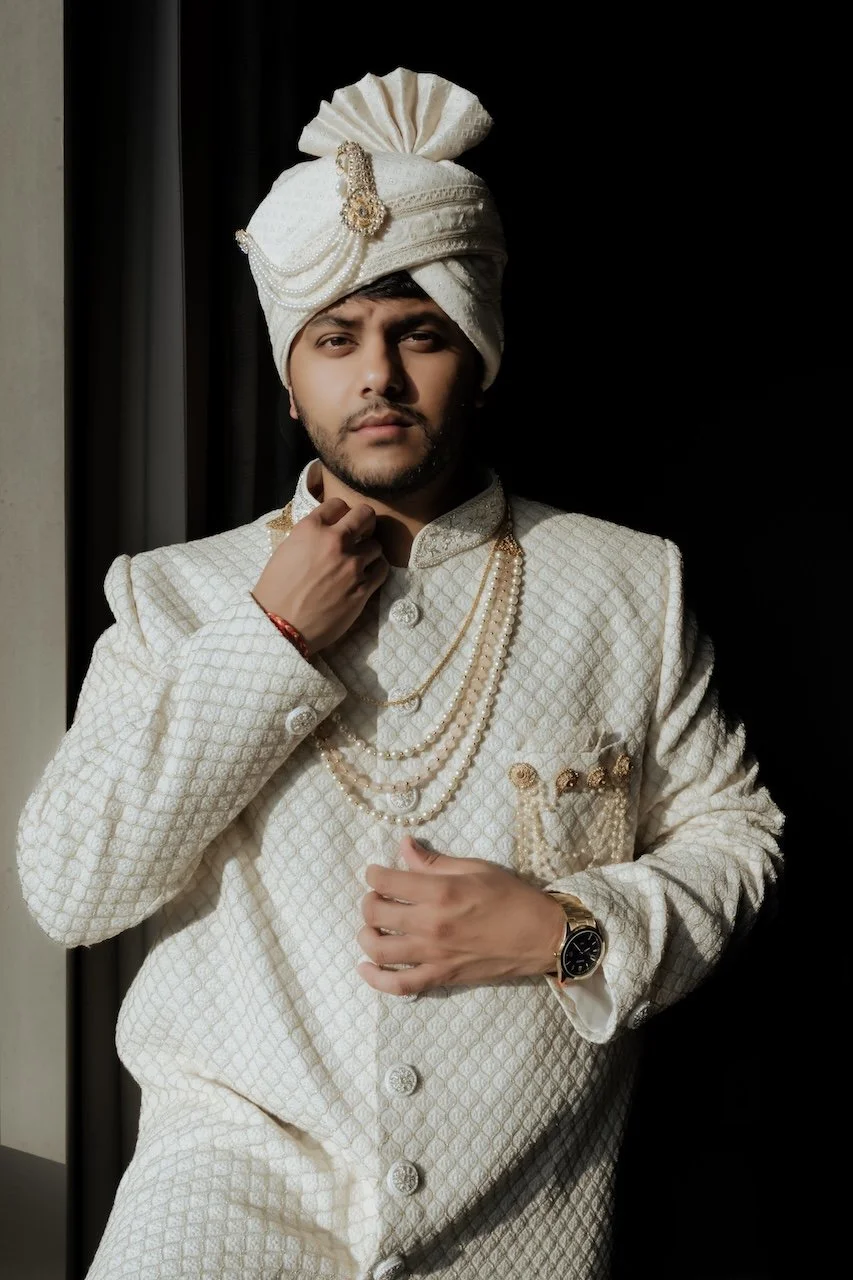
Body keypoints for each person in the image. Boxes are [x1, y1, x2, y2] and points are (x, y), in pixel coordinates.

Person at [17, 68, 784, 1280]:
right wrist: (265, 641)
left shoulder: (627, 584)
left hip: (519, 1214)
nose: (375, 374)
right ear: (290, 375)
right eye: (335, 339)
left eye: (417, 333)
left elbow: (737, 837)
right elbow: (68, 882)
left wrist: (569, 931)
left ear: (476, 355)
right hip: (226, 1185)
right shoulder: (173, 597)